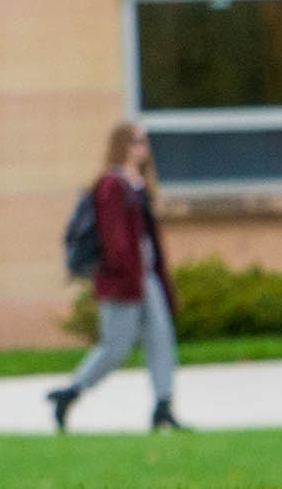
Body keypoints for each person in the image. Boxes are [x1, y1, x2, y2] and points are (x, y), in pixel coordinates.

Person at [48, 122, 182, 432]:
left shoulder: (139, 184)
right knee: (115, 348)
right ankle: (70, 394)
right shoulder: (110, 184)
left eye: (145, 141)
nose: (143, 147)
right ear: (123, 145)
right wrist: (123, 267)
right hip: (122, 280)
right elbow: (113, 237)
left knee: (162, 339)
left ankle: (163, 407)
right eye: (137, 141)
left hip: (147, 278)